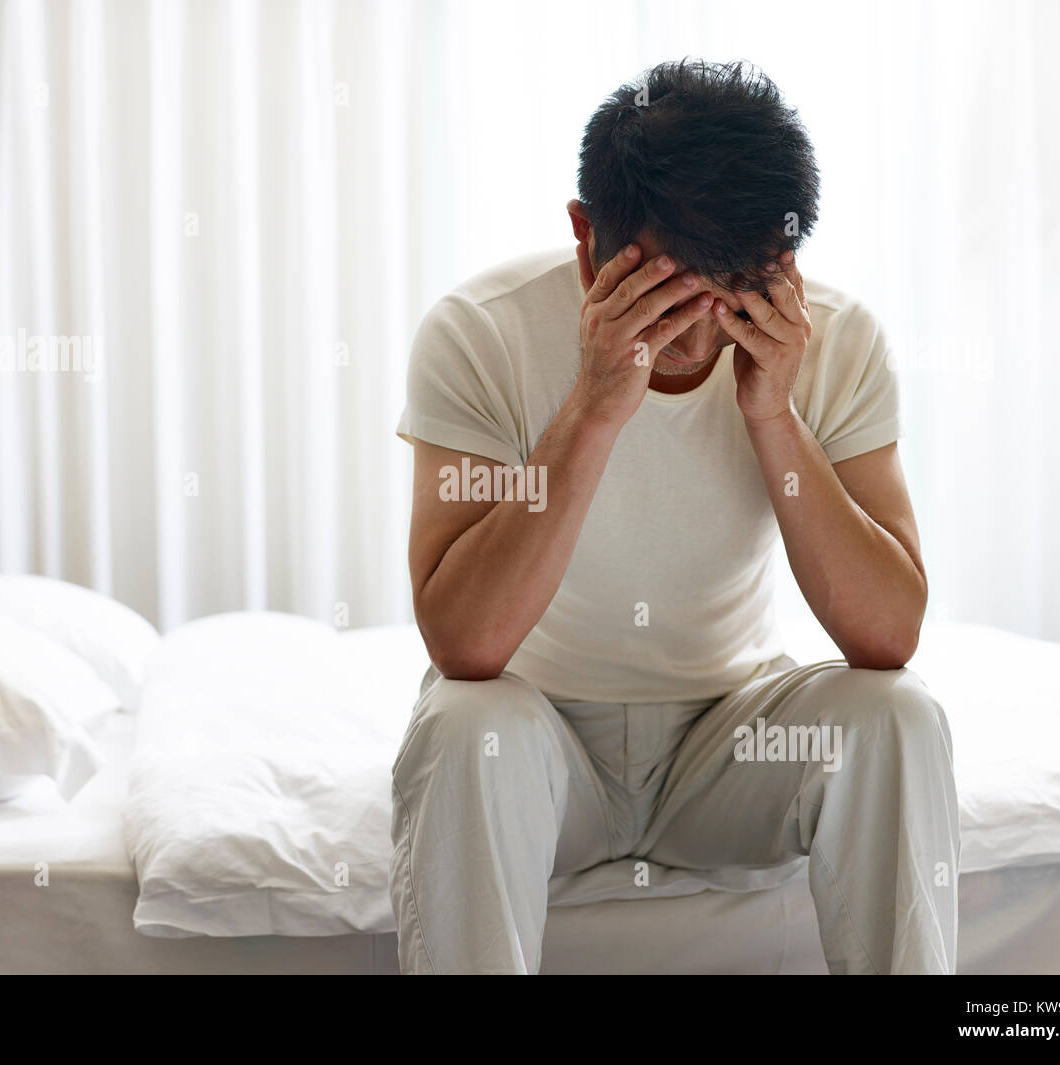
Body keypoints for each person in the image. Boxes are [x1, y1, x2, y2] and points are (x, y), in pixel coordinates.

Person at [390, 58, 959, 974]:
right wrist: (593, 409)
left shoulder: (835, 339)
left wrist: (773, 415)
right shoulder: (479, 331)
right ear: (587, 240)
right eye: (666, 290)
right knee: (464, 725)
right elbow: (462, 641)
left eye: (736, 286)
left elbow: (889, 631)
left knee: (898, 714)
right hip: (543, 747)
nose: (699, 335)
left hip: (733, 744)